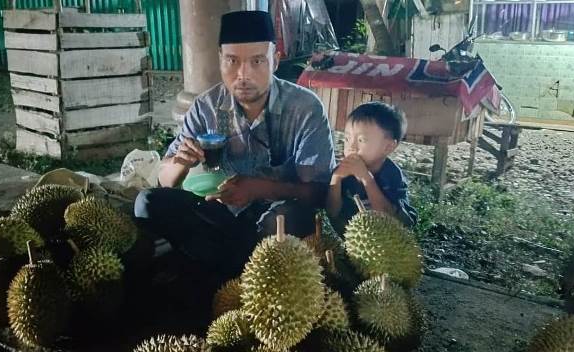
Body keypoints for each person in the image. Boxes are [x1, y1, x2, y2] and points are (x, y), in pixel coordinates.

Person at [134, 10, 335, 279]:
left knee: (287, 222)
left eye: (257, 61)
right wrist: (180, 164)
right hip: (219, 216)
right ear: (220, 59)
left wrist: (260, 189)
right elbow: (165, 181)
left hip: (275, 221)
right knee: (147, 203)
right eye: (232, 61)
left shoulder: (305, 109)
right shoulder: (206, 107)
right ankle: (227, 266)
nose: (243, 74)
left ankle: (214, 266)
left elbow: (319, 194)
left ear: (275, 61)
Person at [326, 102, 418, 235]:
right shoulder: (342, 171)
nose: (351, 146)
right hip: (353, 237)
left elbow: (389, 217)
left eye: (361, 140)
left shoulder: (392, 175)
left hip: (386, 240)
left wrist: (366, 178)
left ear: (388, 147)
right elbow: (332, 212)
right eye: (347, 138)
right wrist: (336, 179)